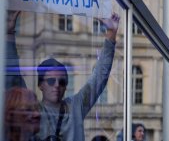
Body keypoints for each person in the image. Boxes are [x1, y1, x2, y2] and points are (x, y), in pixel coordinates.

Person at [36, 12, 120, 141]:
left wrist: (111, 35)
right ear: (40, 85)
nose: (57, 85)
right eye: (51, 81)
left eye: (62, 81)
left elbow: (99, 78)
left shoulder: (75, 106)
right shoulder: (32, 111)